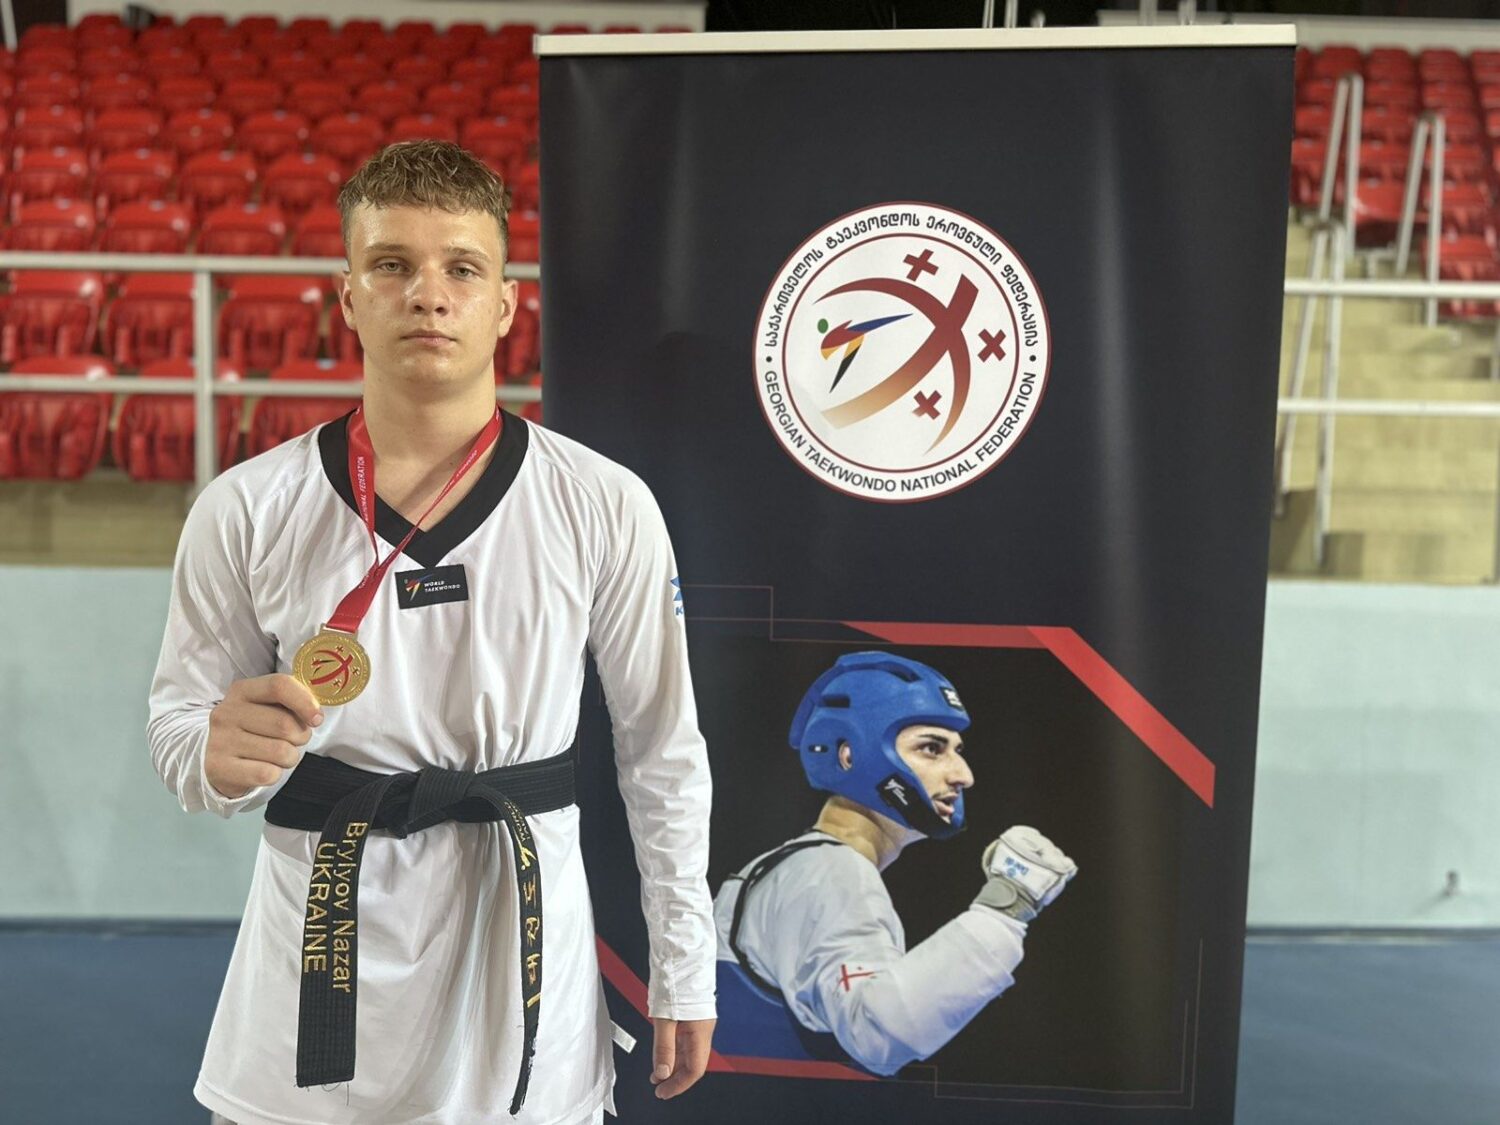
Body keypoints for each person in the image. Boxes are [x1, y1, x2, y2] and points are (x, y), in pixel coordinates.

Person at [147, 140, 716, 1125]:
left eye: (462, 268)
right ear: (348, 296)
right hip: (317, 948)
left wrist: (686, 960)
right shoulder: (244, 507)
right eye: (392, 265)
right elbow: (178, 730)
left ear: (505, 304)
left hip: (521, 952)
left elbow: (661, 749)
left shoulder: (603, 502)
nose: (429, 295)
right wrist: (213, 756)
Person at [711, 651, 1076, 1075]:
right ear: (849, 755)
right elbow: (877, 1032)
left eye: (957, 750)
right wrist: (1005, 909)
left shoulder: (781, 867)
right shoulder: (832, 873)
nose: (963, 774)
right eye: (931, 748)